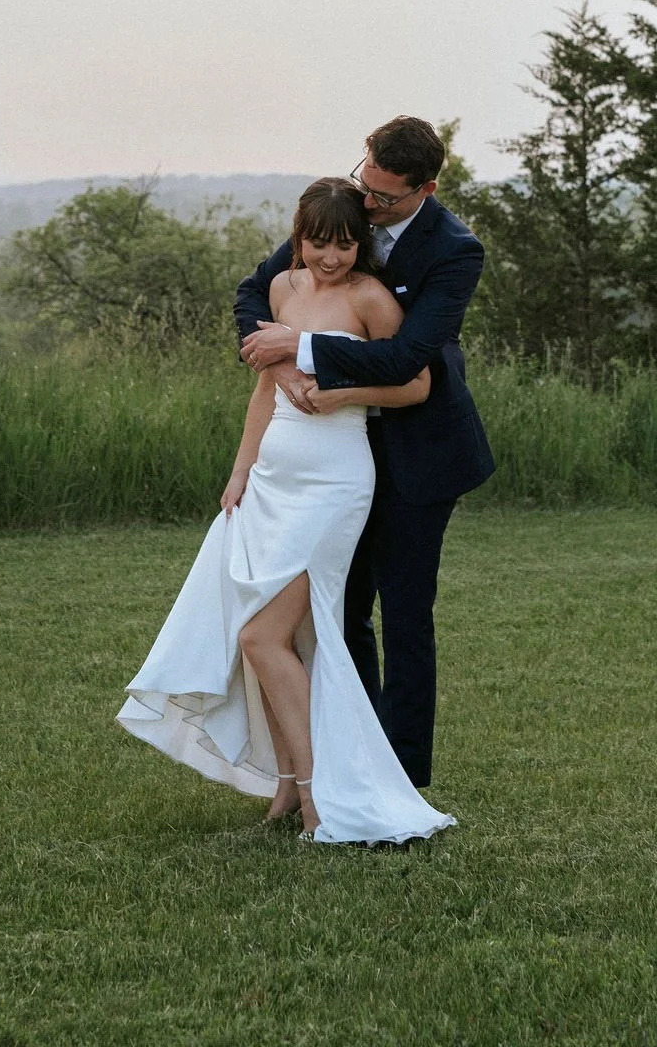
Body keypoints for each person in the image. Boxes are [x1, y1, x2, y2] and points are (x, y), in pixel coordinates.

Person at [117, 177, 455, 845]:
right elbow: (264, 393)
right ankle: (285, 787)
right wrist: (241, 471)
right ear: (299, 239)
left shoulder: (370, 298)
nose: (331, 258)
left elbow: (415, 384)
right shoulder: (281, 292)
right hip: (272, 477)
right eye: (319, 244)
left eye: (345, 245)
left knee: (260, 637)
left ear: (361, 245)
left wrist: (340, 395)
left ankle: (314, 797)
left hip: (333, 485)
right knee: (291, 640)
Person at [235, 116, 494, 789]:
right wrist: (272, 355)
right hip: (333, 460)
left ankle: (401, 779)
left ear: (425, 189)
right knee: (339, 614)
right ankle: (347, 764)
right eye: (364, 182)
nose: (368, 205)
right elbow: (253, 292)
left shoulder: (455, 250)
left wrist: (303, 348)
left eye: (383, 197)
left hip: (419, 453)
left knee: (406, 615)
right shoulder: (342, 215)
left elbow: (411, 356)